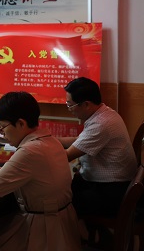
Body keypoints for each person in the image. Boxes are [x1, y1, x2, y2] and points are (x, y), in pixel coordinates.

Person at [0, 92, 81, 250]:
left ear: (21, 124)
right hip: (63, 222)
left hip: (43, 229)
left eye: (2, 127)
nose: (1, 132)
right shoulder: (50, 139)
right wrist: (6, 171)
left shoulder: (30, 151)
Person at [58, 77, 137, 217]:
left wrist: (36, 152)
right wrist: (52, 140)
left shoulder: (101, 124)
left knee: (61, 201)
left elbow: (67, 156)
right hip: (109, 183)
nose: (69, 109)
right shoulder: (104, 113)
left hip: (111, 190)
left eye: (70, 105)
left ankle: (73, 231)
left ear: (86, 104)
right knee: (65, 188)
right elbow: (79, 141)